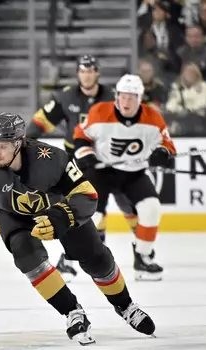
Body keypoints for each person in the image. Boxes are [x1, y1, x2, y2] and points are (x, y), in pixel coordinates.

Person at [0, 112, 155, 345]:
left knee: (95, 257)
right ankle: (72, 312)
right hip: (13, 215)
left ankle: (125, 305)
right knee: (25, 252)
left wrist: (64, 216)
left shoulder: (52, 159)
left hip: (59, 210)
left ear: (18, 144)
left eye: (3, 146)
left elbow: (87, 194)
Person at [26, 54, 137, 282]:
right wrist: (26, 144)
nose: (87, 75)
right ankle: (82, 256)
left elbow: (132, 123)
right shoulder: (66, 97)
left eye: (91, 70)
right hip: (78, 163)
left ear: (97, 72)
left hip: (111, 162)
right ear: (78, 73)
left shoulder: (113, 97)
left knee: (130, 203)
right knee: (88, 207)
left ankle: (141, 249)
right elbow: (40, 121)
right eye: (83, 71)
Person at [73, 74, 176, 281]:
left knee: (151, 208)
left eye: (132, 97)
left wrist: (162, 154)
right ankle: (73, 257)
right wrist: (87, 157)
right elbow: (80, 137)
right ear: (116, 96)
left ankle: (143, 259)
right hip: (101, 172)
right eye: (123, 96)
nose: (126, 102)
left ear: (140, 98)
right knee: (93, 215)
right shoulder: (100, 111)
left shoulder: (153, 117)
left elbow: (168, 147)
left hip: (133, 173)